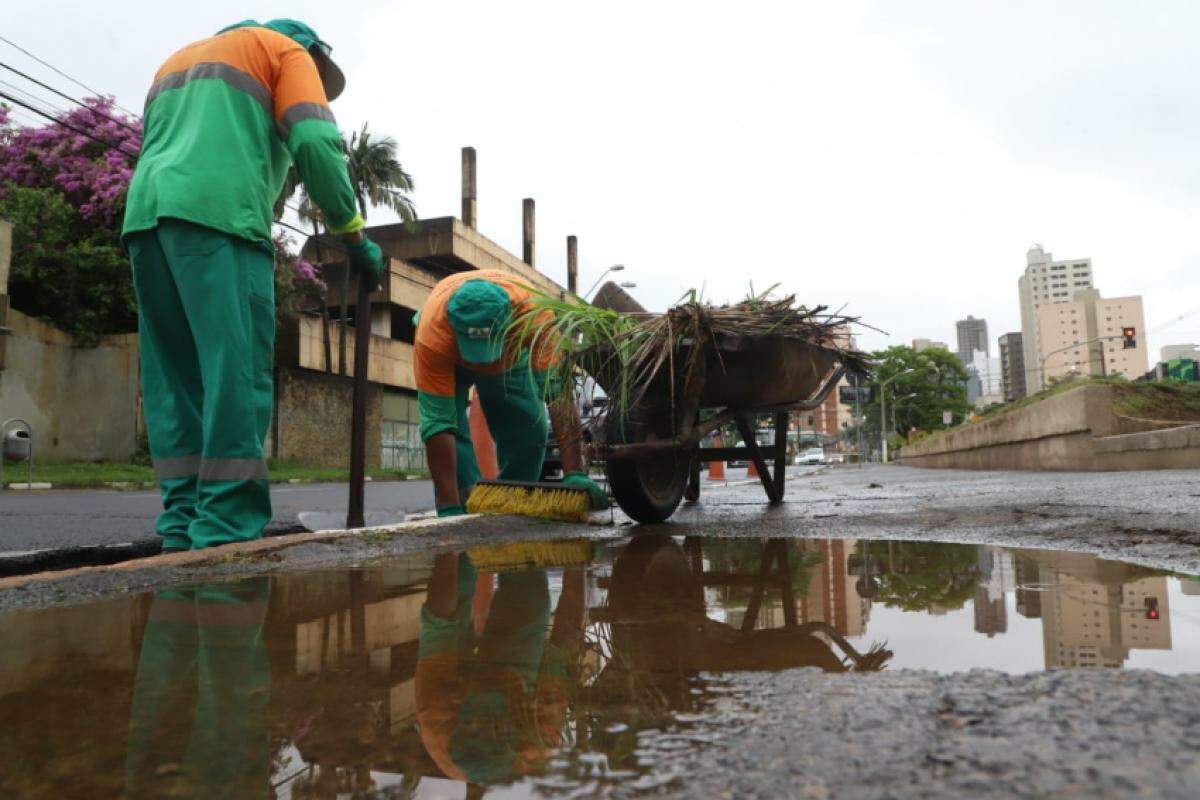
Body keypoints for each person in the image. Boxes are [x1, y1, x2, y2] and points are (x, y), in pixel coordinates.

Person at [122, 19, 386, 551]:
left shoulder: (177, 60)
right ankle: (224, 529)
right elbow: (313, 138)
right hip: (220, 221)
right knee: (233, 373)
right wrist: (353, 235)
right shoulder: (285, 52)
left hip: (146, 221)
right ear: (312, 54)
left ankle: (181, 523)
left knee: (177, 381)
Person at [413, 270, 607, 515]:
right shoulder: (433, 336)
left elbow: (558, 395)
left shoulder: (534, 318)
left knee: (529, 428)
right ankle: (463, 500)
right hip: (451, 358)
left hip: (510, 356)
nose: (481, 364)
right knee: (448, 429)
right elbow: (438, 424)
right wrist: (447, 505)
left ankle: (511, 501)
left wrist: (574, 472)